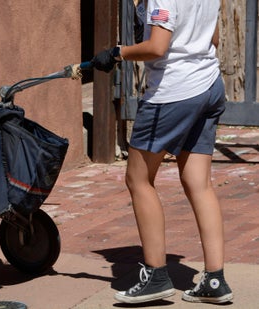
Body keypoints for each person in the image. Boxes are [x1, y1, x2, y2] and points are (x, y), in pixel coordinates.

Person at [91, 0, 233, 305]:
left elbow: (157, 47)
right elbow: (214, 39)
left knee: (138, 179)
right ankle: (214, 279)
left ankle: (156, 276)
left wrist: (118, 53)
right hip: (209, 85)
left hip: (174, 93)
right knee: (199, 182)